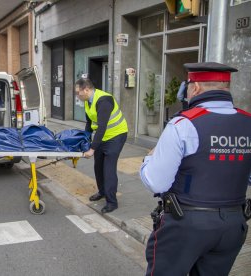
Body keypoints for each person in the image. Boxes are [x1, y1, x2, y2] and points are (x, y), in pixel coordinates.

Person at [140, 62, 251, 275]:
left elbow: (156, 182)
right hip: (233, 224)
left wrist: (148, 159)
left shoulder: (183, 124)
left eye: (188, 85)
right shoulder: (247, 122)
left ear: (196, 87)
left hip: (186, 224)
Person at [75, 78, 128, 213]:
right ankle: (102, 192)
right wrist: (84, 141)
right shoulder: (87, 102)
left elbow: (102, 126)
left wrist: (92, 149)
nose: (77, 96)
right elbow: (90, 123)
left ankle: (112, 202)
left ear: (86, 89)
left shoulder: (104, 100)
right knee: (98, 166)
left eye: (78, 93)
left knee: (108, 169)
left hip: (116, 135)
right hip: (102, 137)